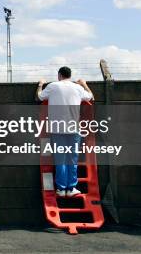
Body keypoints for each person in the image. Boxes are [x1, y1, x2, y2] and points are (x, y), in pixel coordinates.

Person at [37, 66, 93, 197]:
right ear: (70, 75)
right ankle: (71, 188)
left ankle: (61, 189)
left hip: (57, 129)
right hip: (74, 129)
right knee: (72, 159)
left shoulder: (52, 86)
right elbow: (90, 97)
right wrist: (84, 84)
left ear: (59, 75)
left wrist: (40, 85)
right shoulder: (78, 88)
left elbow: (39, 97)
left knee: (60, 159)